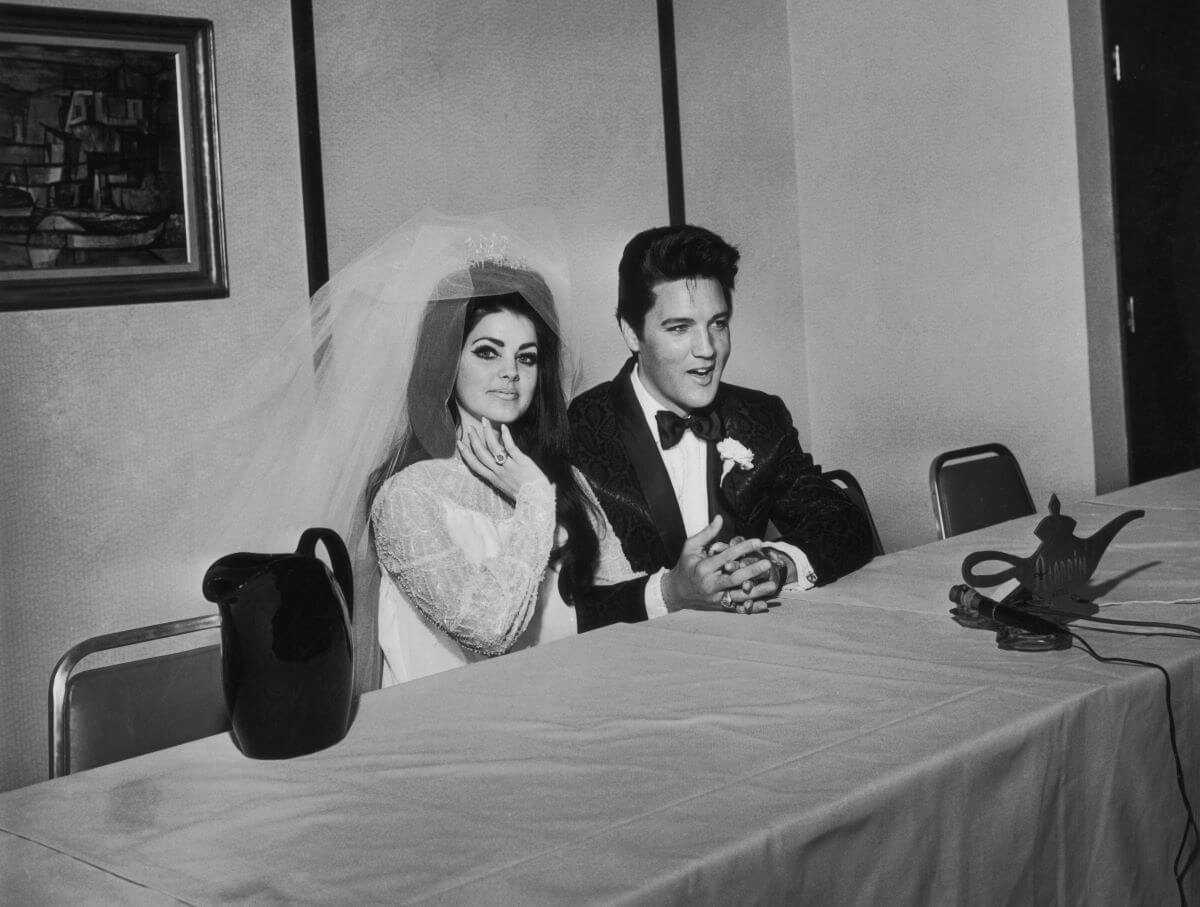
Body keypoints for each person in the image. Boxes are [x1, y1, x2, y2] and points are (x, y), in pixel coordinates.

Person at [568, 223, 874, 630]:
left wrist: (776, 563)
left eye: (718, 323)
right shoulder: (577, 431)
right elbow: (564, 608)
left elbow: (844, 523)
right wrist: (669, 594)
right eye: (679, 328)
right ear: (631, 333)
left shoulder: (758, 416)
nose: (707, 350)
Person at [369, 260, 635, 685]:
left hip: (573, 698)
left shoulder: (562, 479)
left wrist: (682, 585)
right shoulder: (409, 494)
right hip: (453, 725)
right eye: (487, 351)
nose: (511, 372)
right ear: (446, 362)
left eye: (526, 358)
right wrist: (533, 498)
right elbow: (489, 630)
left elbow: (621, 597)